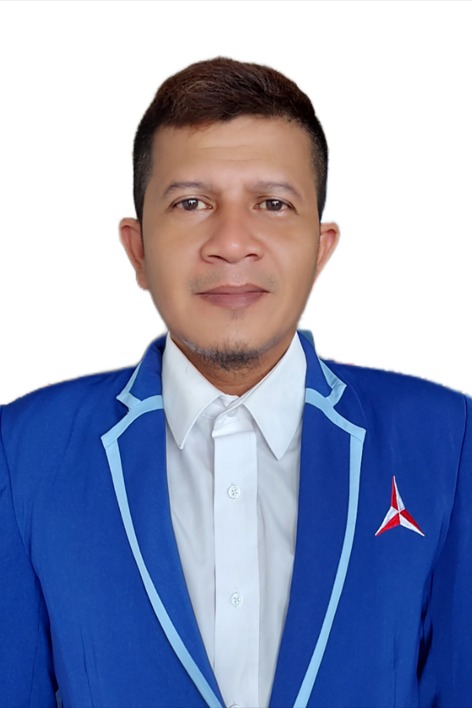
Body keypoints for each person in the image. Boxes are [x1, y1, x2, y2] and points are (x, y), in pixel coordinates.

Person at [0, 57, 471, 708]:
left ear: (320, 247)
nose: (231, 242)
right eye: (191, 203)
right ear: (138, 249)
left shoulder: (447, 441)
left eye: (272, 204)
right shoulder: (23, 451)